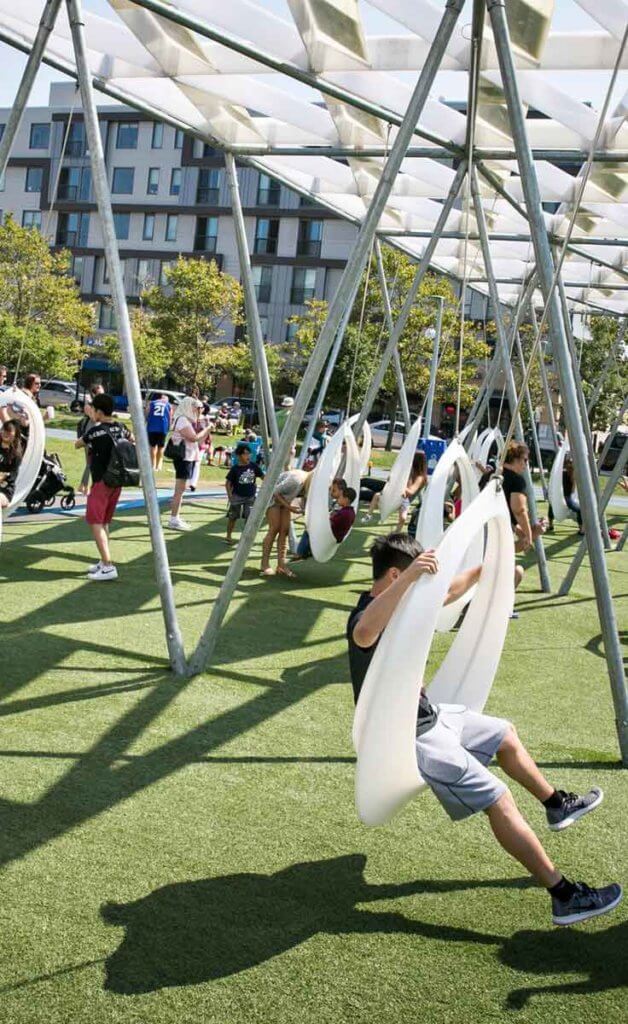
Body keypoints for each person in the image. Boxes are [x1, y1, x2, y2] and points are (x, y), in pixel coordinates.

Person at [348, 533, 622, 927]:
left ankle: (555, 804)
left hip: (432, 715)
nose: (428, 587)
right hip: (410, 739)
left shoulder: (407, 604)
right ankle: (564, 895)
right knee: (499, 798)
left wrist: (486, 570)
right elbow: (363, 633)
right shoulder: (369, 613)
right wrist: (411, 579)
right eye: (413, 577)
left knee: (504, 734)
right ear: (395, 575)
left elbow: (446, 593)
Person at [75, 393, 132, 581]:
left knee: (96, 522)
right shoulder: (122, 427)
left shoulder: (95, 431)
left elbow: (78, 444)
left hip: (101, 482)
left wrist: (92, 423)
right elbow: (132, 440)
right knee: (105, 521)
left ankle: (108, 566)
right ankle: (103, 560)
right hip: (118, 481)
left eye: (93, 409)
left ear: (99, 411)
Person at [167, 396, 212, 531]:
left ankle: (176, 517)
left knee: (181, 490)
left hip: (189, 456)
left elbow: (198, 441)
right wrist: (207, 428)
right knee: (179, 490)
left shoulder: (186, 420)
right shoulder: (182, 420)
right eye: (195, 407)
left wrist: (206, 429)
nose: (197, 410)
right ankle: (174, 519)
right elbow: (193, 438)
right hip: (184, 457)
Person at [260, 467, 312, 578]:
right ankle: (264, 565)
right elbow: (274, 491)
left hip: (284, 499)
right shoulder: (296, 480)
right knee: (274, 528)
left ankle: (281, 566)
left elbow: (304, 500)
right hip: (271, 497)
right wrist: (289, 507)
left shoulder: (307, 483)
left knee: (285, 530)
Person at [362, 451, 428, 529]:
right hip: (395, 494)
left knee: (403, 518)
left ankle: (397, 532)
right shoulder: (409, 471)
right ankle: (368, 515)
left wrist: (398, 484)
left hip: (404, 499)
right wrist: (392, 480)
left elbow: (410, 492)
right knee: (376, 495)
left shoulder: (420, 477)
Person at [293, 484, 357, 561]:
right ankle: (307, 551)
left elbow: (328, 524)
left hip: (331, 537)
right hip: (337, 536)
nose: (338, 499)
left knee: (309, 529)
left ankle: (300, 553)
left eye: (340, 497)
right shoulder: (351, 512)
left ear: (346, 499)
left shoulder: (344, 513)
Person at [225, 443, 265, 544]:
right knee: (232, 517)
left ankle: (245, 538)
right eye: (245, 454)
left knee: (249, 517)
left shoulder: (253, 466)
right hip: (237, 496)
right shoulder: (235, 469)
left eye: (249, 454)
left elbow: (263, 477)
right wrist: (230, 496)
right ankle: (228, 535)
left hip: (250, 497)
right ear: (239, 455)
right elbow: (228, 483)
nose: (248, 456)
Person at [77, 383, 105, 494]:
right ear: (94, 394)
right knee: (91, 462)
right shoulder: (89, 406)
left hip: (99, 436)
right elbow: (95, 418)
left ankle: (84, 486)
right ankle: (85, 486)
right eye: (100, 394)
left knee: (92, 463)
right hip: (90, 437)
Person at [547, 454, 584, 535]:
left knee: (552, 504)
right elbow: (573, 490)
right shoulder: (572, 475)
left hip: (560, 497)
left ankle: (550, 525)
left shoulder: (562, 474)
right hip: (567, 498)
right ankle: (581, 529)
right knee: (579, 510)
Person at [145, 393, 172, 472]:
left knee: (152, 447)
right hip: (163, 427)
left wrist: (146, 421)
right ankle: (158, 465)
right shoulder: (168, 405)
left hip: (152, 427)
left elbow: (147, 414)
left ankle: (152, 465)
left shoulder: (152, 403)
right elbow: (170, 417)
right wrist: (169, 427)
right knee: (161, 447)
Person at [0, 420, 23, 509]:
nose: (5, 433)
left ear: (15, 435)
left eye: (9, 431)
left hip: (4, 490)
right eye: (4, 430)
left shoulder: (15, 455)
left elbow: (8, 476)